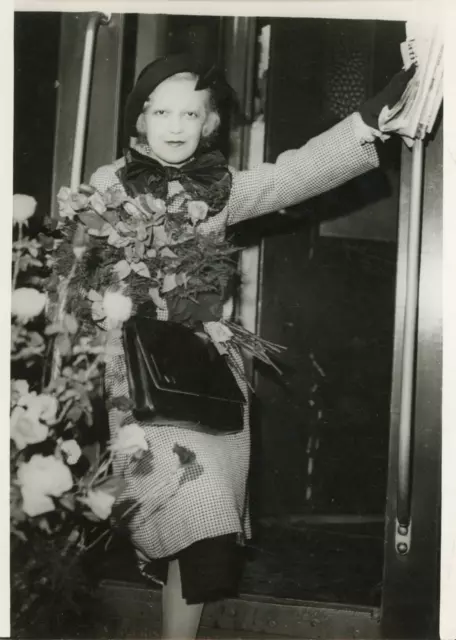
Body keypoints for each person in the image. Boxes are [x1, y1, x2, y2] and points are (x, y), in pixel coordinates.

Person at [88, 53, 413, 639]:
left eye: (192, 112)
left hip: (204, 375)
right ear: (140, 120)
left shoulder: (221, 188)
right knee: (180, 503)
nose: (176, 124)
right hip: (136, 381)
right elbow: (81, 277)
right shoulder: (107, 188)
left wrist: (368, 120)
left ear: (210, 123)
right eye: (161, 110)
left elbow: (297, 172)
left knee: (203, 526)